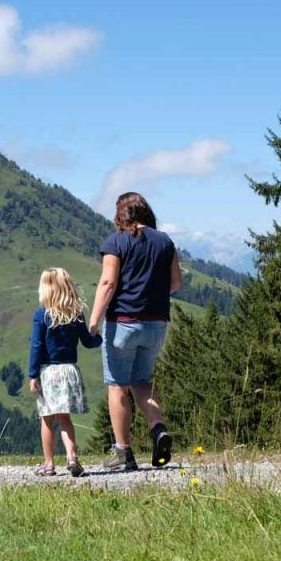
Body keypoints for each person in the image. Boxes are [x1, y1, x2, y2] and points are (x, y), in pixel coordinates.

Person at [88, 191, 182, 472]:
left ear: (121, 215)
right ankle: (158, 427)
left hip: (123, 323)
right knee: (142, 382)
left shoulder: (116, 242)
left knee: (117, 385)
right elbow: (175, 282)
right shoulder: (165, 241)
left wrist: (94, 320)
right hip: (156, 323)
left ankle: (123, 453)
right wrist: (150, 293)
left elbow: (108, 283)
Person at [29, 267, 102, 477]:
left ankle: (49, 464)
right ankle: (71, 457)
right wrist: (98, 337)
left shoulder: (41, 314)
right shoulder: (75, 314)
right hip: (70, 371)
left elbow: (36, 345)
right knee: (65, 418)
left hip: (49, 371)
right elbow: (88, 342)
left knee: (47, 419)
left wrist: (32, 374)